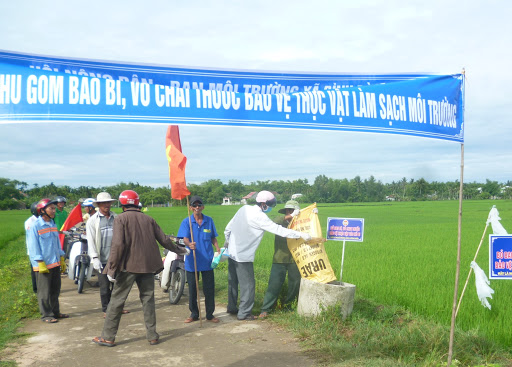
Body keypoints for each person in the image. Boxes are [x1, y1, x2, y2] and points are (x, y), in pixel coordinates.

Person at [93, 190, 189, 347]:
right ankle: (152, 335)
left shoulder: (120, 219)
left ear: (122, 204)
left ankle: (108, 337)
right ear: (137, 203)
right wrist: (181, 250)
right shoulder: (148, 219)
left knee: (116, 301)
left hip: (127, 267)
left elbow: (118, 245)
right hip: (147, 267)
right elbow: (164, 240)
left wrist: (111, 268)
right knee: (148, 300)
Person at [224, 190, 311, 320]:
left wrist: (227, 242)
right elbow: (279, 230)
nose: (271, 207)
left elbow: (228, 228)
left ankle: (232, 308)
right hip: (243, 256)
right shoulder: (260, 217)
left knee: (233, 282)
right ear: (263, 204)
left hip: (231, 253)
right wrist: (301, 235)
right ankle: (244, 313)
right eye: (270, 204)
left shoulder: (244, 209)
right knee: (248, 285)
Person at [177, 195, 220, 324]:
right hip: (192, 260)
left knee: (209, 289)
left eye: (199, 205)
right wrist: (189, 244)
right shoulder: (187, 222)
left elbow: (213, 237)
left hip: (207, 260)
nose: (197, 207)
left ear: (203, 207)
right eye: (194, 205)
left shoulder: (209, 220)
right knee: (193, 289)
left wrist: (217, 248)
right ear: (190, 207)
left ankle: (210, 314)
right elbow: (184, 238)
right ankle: (194, 314)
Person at [27, 198, 69, 323]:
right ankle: (46, 315)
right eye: (51, 208)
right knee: (44, 292)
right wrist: (39, 262)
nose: (54, 211)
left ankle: (56, 312)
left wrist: (61, 257)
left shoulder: (52, 224)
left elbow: (56, 242)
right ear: (42, 210)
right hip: (43, 264)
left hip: (54, 262)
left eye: (54, 208)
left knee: (55, 290)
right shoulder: (35, 226)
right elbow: (33, 245)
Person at [259, 200, 302, 318]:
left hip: (296, 259)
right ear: (286, 211)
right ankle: (266, 309)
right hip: (279, 258)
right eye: (289, 210)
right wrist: (290, 216)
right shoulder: (279, 221)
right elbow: (273, 221)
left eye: (293, 210)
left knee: (295, 284)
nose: (291, 212)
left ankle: (289, 307)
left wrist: (313, 215)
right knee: (274, 284)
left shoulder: (301, 224)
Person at [86, 192, 125, 318]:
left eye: (108, 203)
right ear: (98, 205)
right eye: (103, 203)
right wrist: (94, 257)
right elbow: (91, 240)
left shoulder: (116, 218)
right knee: (104, 286)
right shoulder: (93, 221)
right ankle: (106, 309)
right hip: (101, 258)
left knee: (118, 285)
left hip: (115, 257)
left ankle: (117, 308)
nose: (106, 205)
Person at [25, 202, 40, 294]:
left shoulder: (42, 220)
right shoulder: (30, 221)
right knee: (34, 270)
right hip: (33, 250)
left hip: (41, 250)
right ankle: (36, 289)